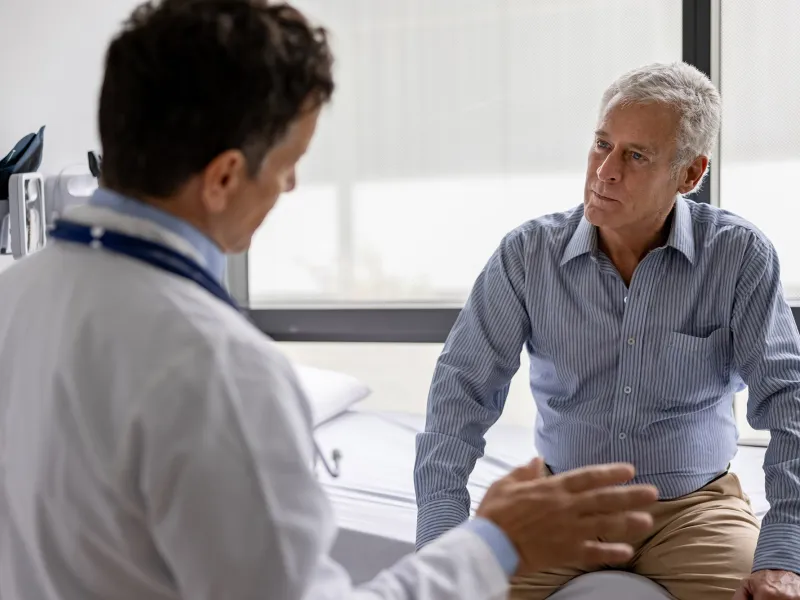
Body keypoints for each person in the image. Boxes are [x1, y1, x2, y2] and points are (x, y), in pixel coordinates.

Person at [0, 2, 661, 599]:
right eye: (291, 160)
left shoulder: (14, 297)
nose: (290, 186)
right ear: (225, 175)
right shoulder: (218, 371)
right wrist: (495, 544)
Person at [414, 61, 800, 600]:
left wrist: (785, 549)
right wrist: (441, 533)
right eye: (602, 144)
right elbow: (461, 392)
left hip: (695, 511)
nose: (606, 171)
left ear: (690, 174)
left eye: (636, 155)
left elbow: (788, 401)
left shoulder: (739, 255)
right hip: (560, 509)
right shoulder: (527, 255)